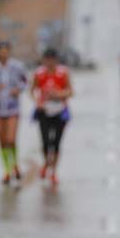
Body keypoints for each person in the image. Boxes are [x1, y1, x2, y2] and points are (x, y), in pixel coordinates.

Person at [0, 41, 28, 185]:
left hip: (12, 107)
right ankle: (7, 170)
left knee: (11, 139)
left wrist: (18, 89)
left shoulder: (17, 67)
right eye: (1, 51)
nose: (3, 54)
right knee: (2, 141)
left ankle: (15, 164)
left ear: (9, 51)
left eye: (6, 51)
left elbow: (25, 82)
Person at [31, 48, 73, 187]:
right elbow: (32, 91)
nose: (49, 63)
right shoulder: (39, 73)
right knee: (45, 142)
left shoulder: (63, 73)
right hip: (44, 111)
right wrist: (38, 102)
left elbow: (70, 91)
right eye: (47, 60)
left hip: (60, 111)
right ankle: (46, 163)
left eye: (52, 60)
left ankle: (53, 171)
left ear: (56, 60)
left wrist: (58, 94)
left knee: (56, 143)